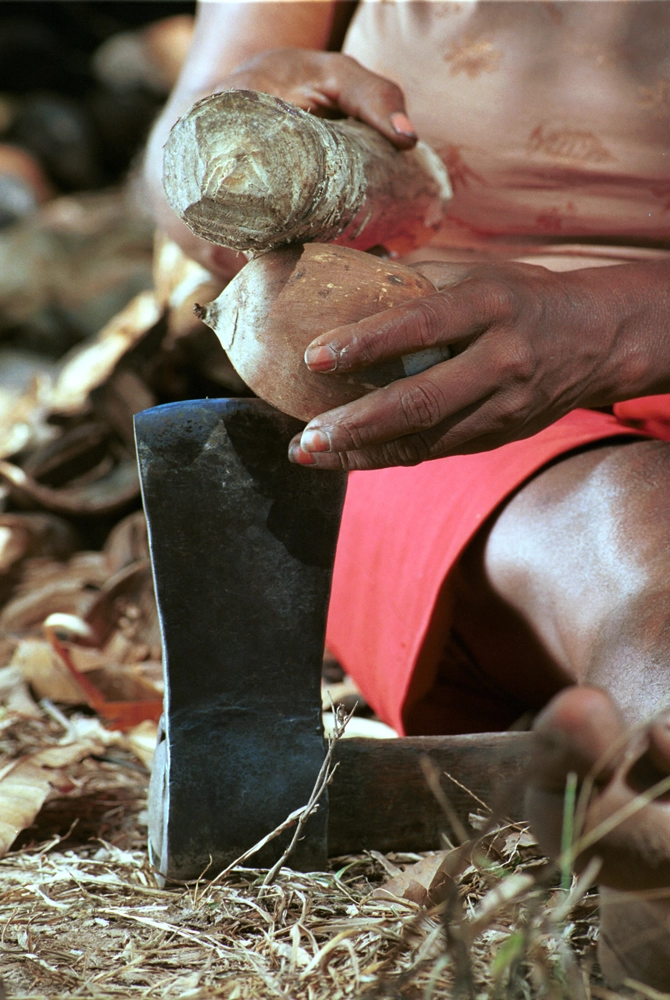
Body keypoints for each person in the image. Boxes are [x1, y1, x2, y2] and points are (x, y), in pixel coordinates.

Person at [144, 1, 670, 987]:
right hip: (459, 405)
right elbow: (180, 187)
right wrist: (232, 128)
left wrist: (623, 322)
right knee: (637, 537)